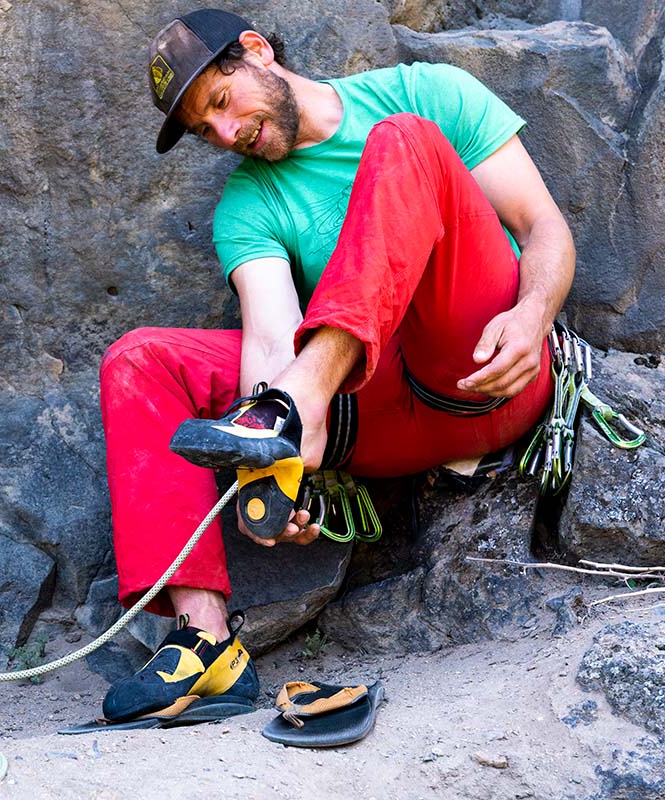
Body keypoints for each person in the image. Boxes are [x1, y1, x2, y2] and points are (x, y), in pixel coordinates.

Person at [97, 8, 574, 725]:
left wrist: (533, 315)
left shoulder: (428, 96)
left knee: (405, 143)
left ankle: (294, 412)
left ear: (257, 52)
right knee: (139, 362)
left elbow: (544, 229)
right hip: (365, 413)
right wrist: (272, 469)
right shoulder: (249, 201)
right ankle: (206, 643)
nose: (226, 136)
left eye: (222, 104)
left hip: (480, 369)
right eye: (206, 131)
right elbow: (268, 331)